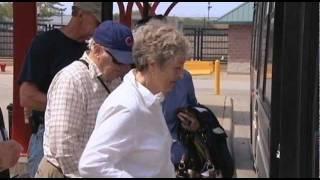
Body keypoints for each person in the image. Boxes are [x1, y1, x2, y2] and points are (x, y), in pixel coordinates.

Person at [78, 20, 191, 178]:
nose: (181, 76)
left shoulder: (150, 100)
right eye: (177, 68)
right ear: (153, 64)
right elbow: (92, 164)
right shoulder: (128, 106)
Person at [35, 20, 134, 178]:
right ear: (97, 50)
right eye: (118, 61)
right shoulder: (73, 80)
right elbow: (64, 146)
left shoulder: (116, 80)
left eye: (128, 62)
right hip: (66, 172)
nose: (124, 68)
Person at [18, 2, 101, 177]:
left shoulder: (93, 51)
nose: (99, 28)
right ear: (80, 14)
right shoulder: (46, 43)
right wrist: (71, 106)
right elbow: (26, 97)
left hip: (87, 138)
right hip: (48, 138)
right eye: (97, 22)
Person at [134, 14, 200, 169]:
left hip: (178, 160)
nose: (180, 75)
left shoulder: (184, 79)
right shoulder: (129, 94)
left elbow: (193, 107)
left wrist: (194, 122)